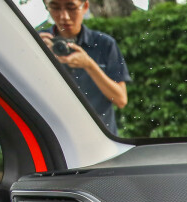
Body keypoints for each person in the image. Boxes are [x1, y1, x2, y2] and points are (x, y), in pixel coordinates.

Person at [39, 0, 130, 135]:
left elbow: (121, 99)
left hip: (100, 138)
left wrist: (89, 65)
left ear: (85, 6)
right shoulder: (38, 42)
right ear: (47, 8)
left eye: (71, 7)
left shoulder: (104, 44)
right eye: (55, 7)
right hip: (55, 136)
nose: (64, 16)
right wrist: (35, 53)